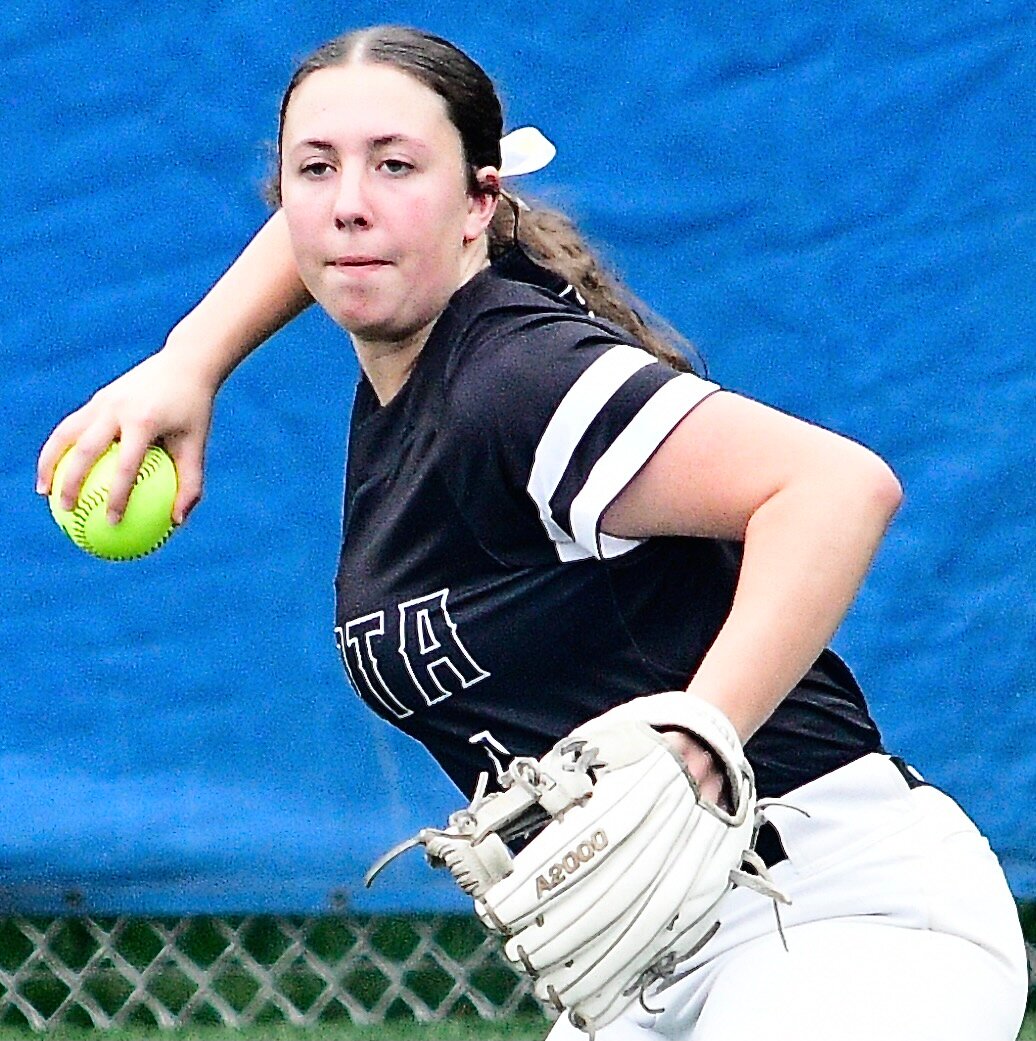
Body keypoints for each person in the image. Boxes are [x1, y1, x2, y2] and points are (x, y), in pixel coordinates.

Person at [36, 25, 1027, 1041]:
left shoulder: (511, 380)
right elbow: (346, 224)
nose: (349, 202)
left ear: (478, 201)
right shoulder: (416, 379)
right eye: (315, 168)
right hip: (651, 972)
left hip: (834, 920)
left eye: (396, 164)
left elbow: (833, 485)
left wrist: (701, 728)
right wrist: (189, 359)